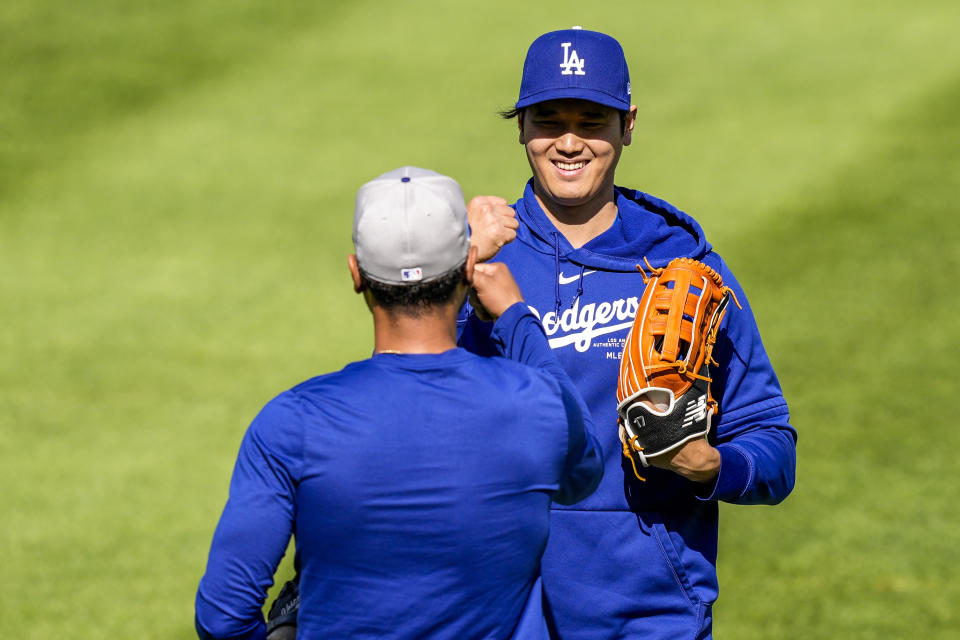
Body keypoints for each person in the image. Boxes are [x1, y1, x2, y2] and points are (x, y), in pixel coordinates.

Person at [460, 28, 798, 639]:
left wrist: (711, 466)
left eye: (591, 120)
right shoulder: (484, 260)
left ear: (628, 124)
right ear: (520, 126)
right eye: (547, 119)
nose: (567, 143)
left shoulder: (684, 268)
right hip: (504, 608)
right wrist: (455, 276)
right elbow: (415, 410)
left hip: (651, 611)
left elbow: (773, 443)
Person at [195, 166, 604, 640]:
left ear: (356, 275)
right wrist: (517, 320)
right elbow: (583, 473)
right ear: (469, 268)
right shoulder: (539, 404)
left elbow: (223, 619)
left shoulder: (291, 423)